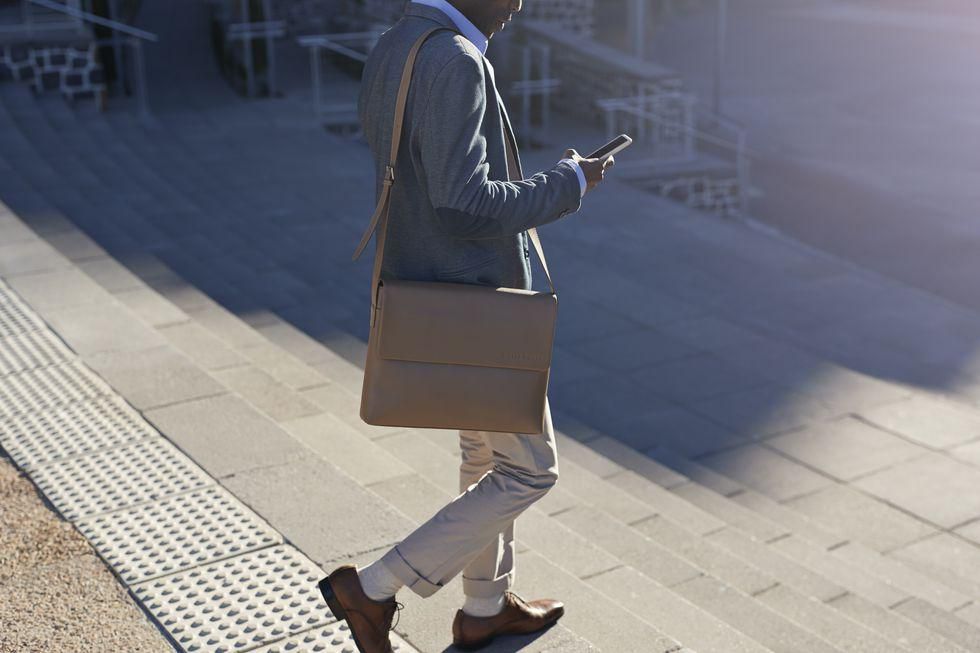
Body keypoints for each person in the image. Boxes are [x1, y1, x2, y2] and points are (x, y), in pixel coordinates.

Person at [319, 1, 614, 651]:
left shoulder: (400, 39)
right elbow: (463, 201)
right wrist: (568, 182)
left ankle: (484, 606)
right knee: (530, 470)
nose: (517, 5)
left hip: (433, 291)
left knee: (483, 454)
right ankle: (370, 586)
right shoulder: (456, 60)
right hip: (477, 303)